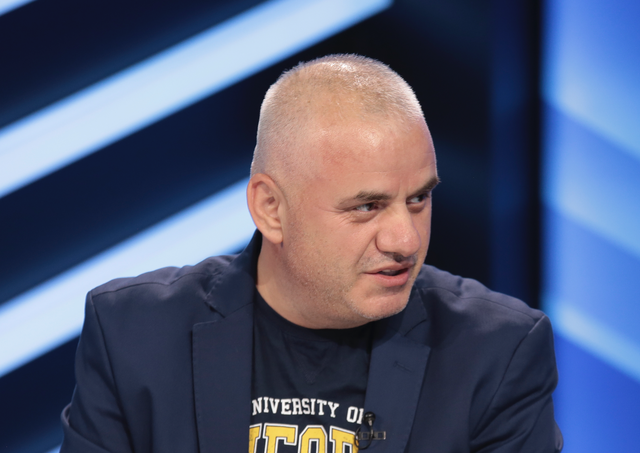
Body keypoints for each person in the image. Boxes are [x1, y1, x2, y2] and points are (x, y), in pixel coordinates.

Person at [61, 54, 562, 452]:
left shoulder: (496, 352)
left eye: (418, 199)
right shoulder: (133, 333)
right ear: (271, 208)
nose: (405, 241)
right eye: (367, 206)